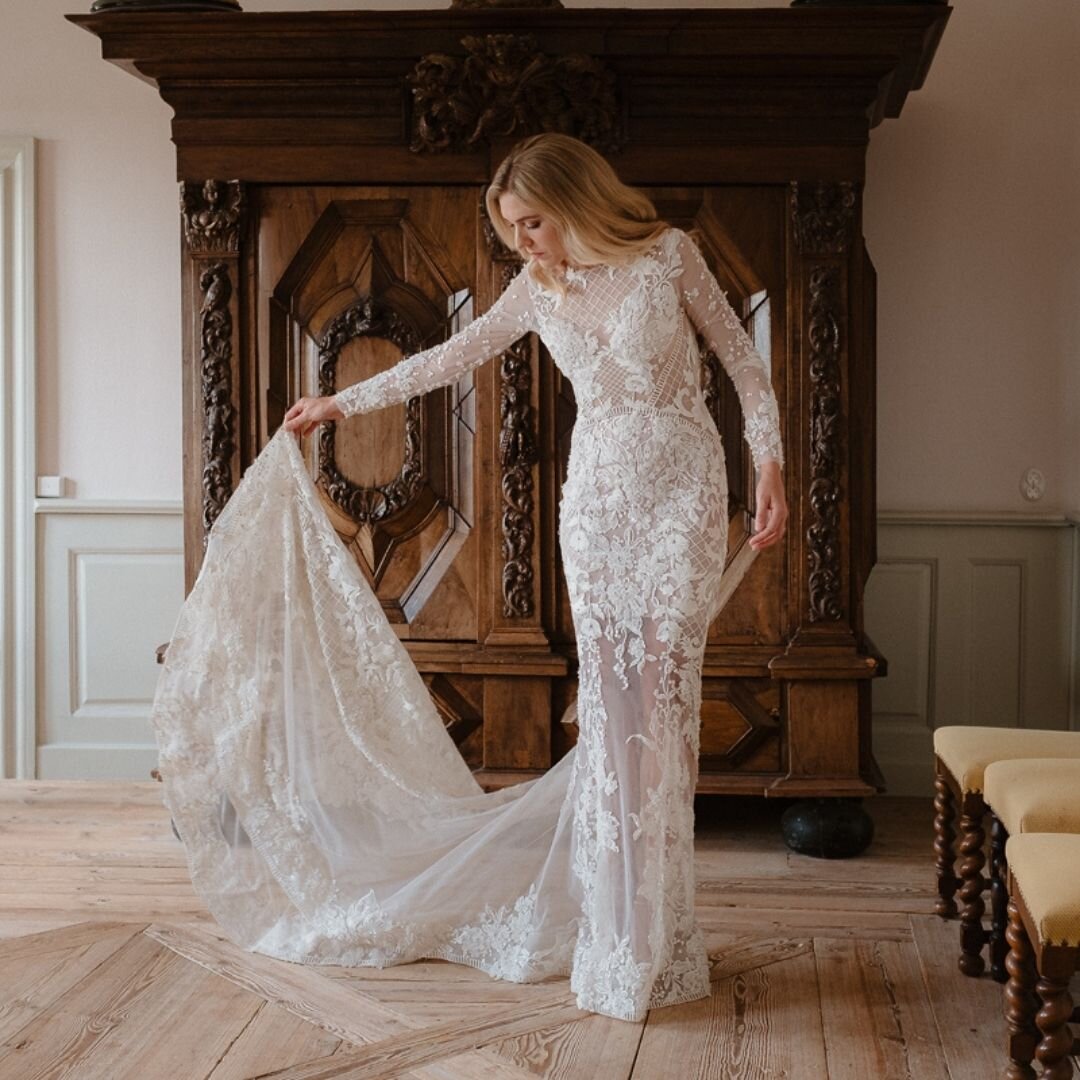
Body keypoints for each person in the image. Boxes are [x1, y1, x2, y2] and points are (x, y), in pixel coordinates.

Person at [151, 132, 786, 1026]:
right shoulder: (537, 289)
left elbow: (743, 364)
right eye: (512, 230)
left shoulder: (666, 256)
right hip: (597, 507)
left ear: (572, 201)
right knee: (615, 712)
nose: (524, 242)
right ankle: (622, 939)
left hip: (683, 494)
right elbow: (448, 359)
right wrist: (342, 402)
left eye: (533, 222)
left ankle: (660, 936)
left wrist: (769, 466)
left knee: (665, 704)